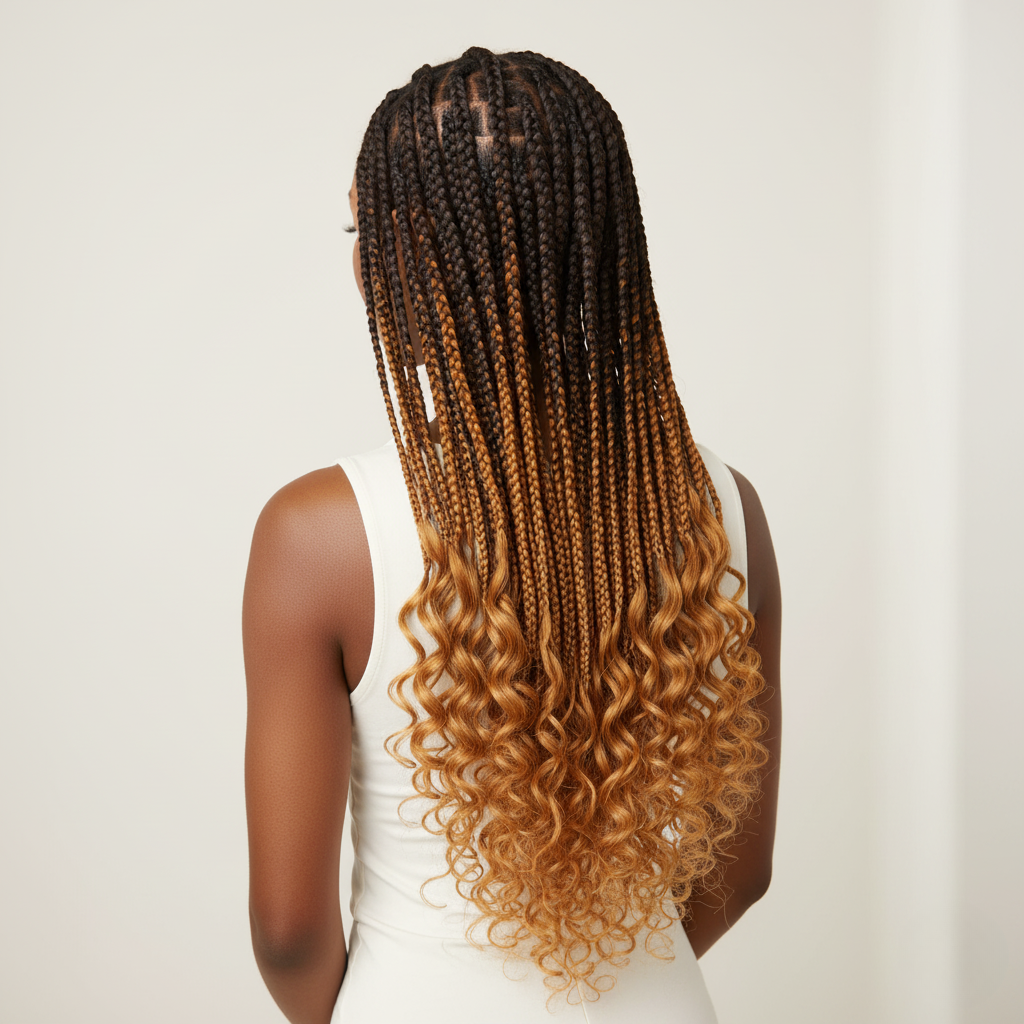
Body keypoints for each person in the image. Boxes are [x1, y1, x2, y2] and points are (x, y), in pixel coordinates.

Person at [243, 47, 781, 1024]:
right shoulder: (726, 507)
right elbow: (736, 874)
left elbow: (289, 928)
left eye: (365, 231)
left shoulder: (320, 533)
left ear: (405, 264)